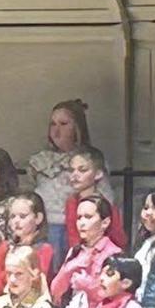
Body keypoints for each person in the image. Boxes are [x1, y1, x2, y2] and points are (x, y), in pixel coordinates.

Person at [51, 195, 123, 308]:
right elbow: (56, 290)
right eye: (79, 217)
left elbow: (112, 296)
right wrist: (71, 267)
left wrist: (88, 285)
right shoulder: (75, 252)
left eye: (88, 217)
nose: (82, 223)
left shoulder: (113, 254)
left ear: (105, 221)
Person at [29, 99, 92, 247]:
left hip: (75, 229)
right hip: (43, 228)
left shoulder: (89, 161)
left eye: (64, 124)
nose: (56, 130)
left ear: (77, 128)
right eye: (53, 124)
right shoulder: (40, 161)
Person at [0, 192, 57, 298]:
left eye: (22, 216)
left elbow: (38, 284)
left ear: (38, 218)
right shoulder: (5, 248)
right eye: (13, 217)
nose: (16, 221)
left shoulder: (44, 250)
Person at [62, 146, 126, 250]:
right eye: (71, 170)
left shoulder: (105, 205)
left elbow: (118, 239)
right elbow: (72, 238)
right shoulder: (71, 202)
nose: (75, 175)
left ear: (98, 174)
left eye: (83, 170)